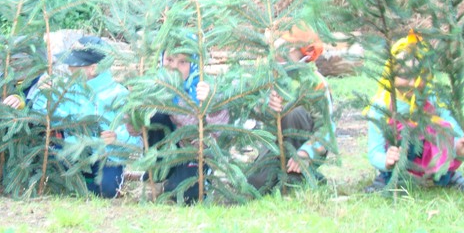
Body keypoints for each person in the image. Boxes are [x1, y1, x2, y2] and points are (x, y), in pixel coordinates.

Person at [366, 31, 464, 191]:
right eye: (405, 75)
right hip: (398, 168)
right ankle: (387, 180)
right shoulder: (381, 105)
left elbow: (454, 132)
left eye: (419, 75)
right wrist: (386, 161)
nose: (412, 83)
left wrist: (460, 147)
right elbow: (374, 151)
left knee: (438, 129)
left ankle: (446, 177)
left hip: (435, 167)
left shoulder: (435, 99)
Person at [30, 35, 140, 198]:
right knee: (54, 168)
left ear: (93, 69)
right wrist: (43, 93)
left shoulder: (118, 95)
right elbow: (44, 114)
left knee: (107, 189)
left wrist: (117, 138)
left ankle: (91, 185)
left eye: (74, 65)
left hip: (107, 157)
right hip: (72, 152)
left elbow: (134, 138)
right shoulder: (68, 90)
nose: (69, 68)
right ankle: (76, 184)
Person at [130, 44, 229, 203]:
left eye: (183, 62)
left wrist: (210, 102)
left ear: (193, 64)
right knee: (156, 113)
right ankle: (155, 177)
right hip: (164, 154)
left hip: (193, 153)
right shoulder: (153, 87)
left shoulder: (204, 88)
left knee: (186, 195)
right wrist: (133, 109)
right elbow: (134, 130)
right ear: (162, 60)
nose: (174, 67)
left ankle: (192, 179)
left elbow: (218, 131)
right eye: (169, 60)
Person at [246, 25, 336, 193]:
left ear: (293, 48)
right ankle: (281, 174)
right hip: (276, 144)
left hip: (306, 146)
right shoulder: (269, 76)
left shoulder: (315, 82)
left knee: (293, 113)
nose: (271, 48)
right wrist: (266, 105)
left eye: (276, 42)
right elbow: (253, 110)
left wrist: (307, 152)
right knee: (255, 184)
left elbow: (326, 130)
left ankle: (305, 175)